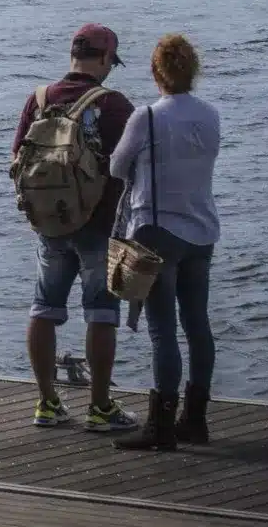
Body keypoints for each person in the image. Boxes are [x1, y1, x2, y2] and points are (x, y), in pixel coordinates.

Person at [10, 23, 139, 432]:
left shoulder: (40, 98)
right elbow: (134, 166)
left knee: (44, 308)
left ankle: (47, 403)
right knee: (101, 313)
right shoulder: (114, 105)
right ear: (103, 59)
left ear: (72, 55)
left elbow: (17, 157)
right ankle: (100, 408)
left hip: (49, 224)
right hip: (99, 225)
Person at [111, 33, 221, 451]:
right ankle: (195, 420)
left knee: (162, 333)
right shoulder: (210, 115)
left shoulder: (147, 117)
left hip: (157, 233)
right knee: (198, 326)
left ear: (156, 72)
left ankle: (160, 427)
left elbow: (118, 167)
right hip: (202, 230)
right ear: (193, 70)